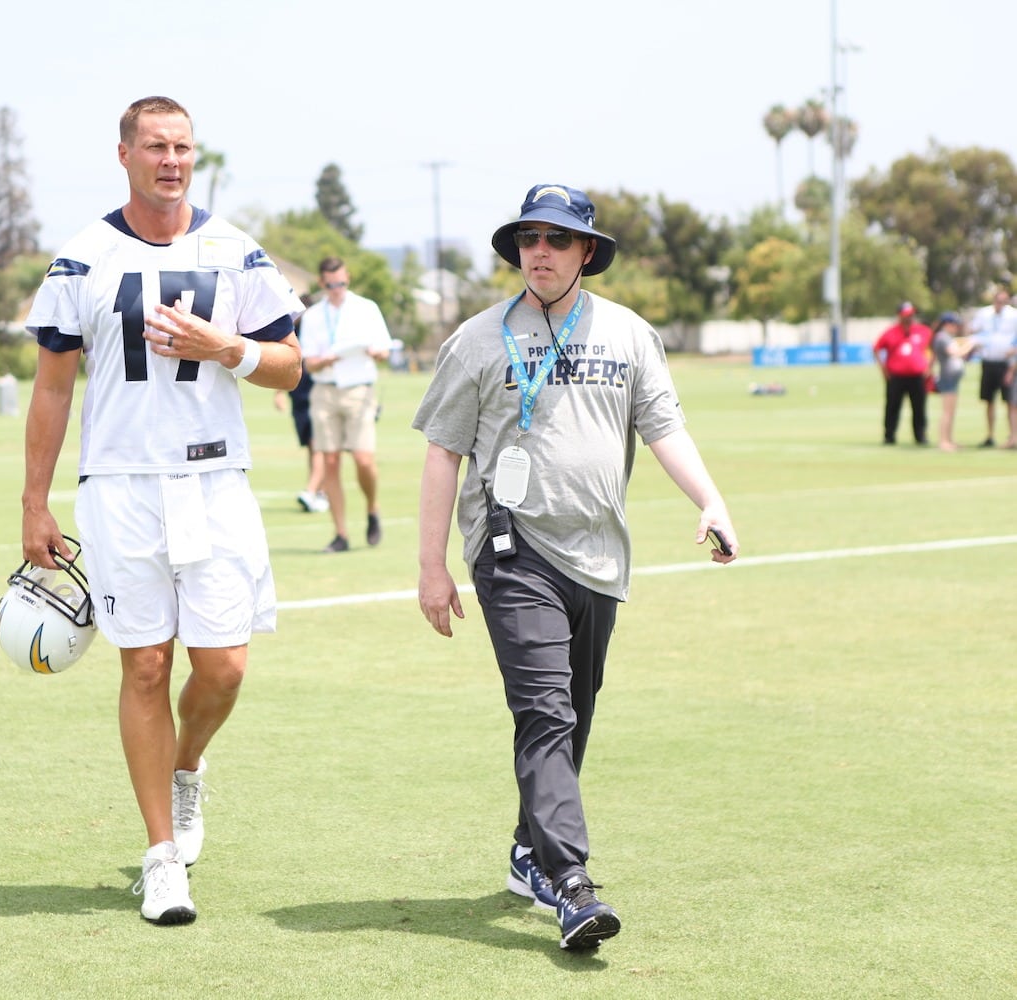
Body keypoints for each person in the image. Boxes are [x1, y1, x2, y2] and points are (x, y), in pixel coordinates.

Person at [414, 183, 738, 952]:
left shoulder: (629, 333)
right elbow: (442, 453)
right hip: (512, 550)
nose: (541, 252)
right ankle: (571, 884)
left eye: (558, 239)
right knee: (546, 712)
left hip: (598, 556)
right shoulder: (477, 340)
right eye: (529, 238)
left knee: (575, 712)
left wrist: (712, 501)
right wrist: (431, 566)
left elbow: (663, 427)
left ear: (586, 251)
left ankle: (531, 848)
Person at [21, 95, 303, 927]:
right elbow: (50, 387)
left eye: (182, 147)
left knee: (223, 668)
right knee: (143, 665)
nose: (171, 160)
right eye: (155, 146)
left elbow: (289, 365)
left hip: (215, 485)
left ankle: (187, 771)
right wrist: (34, 503)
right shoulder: (83, 257)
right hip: (119, 487)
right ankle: (160, 859)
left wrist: (229, 350)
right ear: (124, 155)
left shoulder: (235, 251)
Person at [296, 257, 393, 552]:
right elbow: (308, 363)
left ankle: (372, 508)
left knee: (363, 459)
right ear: (322, 283)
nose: (336, 288)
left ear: (347, 278)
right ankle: (341, 533)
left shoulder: (366, 308)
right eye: (330, 284)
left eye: (341, 282)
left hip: (358, 388)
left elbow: (385, 349)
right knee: (330, 461)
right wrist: (326, 359)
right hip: (324, 390)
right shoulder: (312, 315)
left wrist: (377, 353)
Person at [872, 302, 934, 446]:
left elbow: (932, 348)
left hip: (918, 376)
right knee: (892, 406)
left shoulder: (923, 331)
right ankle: (889, 435)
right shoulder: (890, 332)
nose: (909, 318)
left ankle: (920, 435)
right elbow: (876, 348)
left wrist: (929, 366)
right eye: (906, 315)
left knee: (919, 407)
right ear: (899, 316)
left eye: (911, 315)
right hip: (896, 376)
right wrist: (883, 368)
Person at [274, 357, 328, 512]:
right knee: (312, 446)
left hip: (320, 393)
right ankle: (320, 493)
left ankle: (311, 490)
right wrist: (279, 391)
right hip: (299, 396)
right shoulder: (296, 332)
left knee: (317, 444)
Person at [967, 283, 1017, 447]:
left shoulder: (1013, 316)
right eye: (998, 300)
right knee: (989, 400)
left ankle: (1013, 436)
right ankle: (990, 435)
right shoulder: (984, 314)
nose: (1000, 304)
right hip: (989, 361)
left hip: (1006, 363)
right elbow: (973, 330)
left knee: (1010, 401)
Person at [931, 312, 975, 451]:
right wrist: (971, 344)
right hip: (947, 377)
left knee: (951, 411)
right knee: (947, 412)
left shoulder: (947, 337)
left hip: (952, 378)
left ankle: (949, 439)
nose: (956, 327)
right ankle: (943, 441)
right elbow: (955, 353)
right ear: (947, 324)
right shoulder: (942, 337)